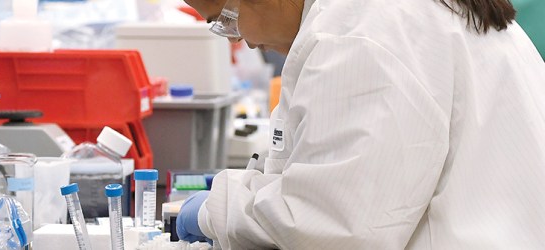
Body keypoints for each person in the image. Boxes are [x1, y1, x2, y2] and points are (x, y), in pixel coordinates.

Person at [175, 0, 545, 248]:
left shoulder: (360, 32)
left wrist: (217, 212)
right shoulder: (373, 18)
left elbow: (335, 229)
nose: (242, 40)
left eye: (224, 20)